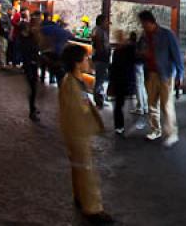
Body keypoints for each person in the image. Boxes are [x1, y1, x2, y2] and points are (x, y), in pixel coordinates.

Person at [58, 45, 112, 224]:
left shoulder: (73, 80)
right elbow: (77, 112)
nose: (88, 61)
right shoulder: (72, 84)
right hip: (77, 132)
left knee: (78, 166)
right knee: (87, 168)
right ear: (77, 63)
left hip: (74, 132)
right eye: (85, 59)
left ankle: (80, 197)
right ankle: (93, 209)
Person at [137, 10, 184, 147]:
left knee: (166, 105)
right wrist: (142, 53)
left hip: (165, 75)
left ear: (151, 22)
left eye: (145, 24)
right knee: (152, 104)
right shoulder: (144, 36)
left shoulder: (167, 34)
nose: (143, 27)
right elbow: (138, 52)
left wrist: (180, 75)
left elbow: (176, 55)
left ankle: (171, 134)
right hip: (150, 73)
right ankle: (155, 130)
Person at [109, 31, 137, 136]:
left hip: (121, 79)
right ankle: (120, 126)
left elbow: (113, 67)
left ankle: (120, 126)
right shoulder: (127, 49)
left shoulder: (120, 50)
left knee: (119, 104)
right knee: (121, 103)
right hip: (123, 79)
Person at [19, 17, 41, 121]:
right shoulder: (26, 38)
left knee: (34, 89)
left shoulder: (31, 37)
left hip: (33, 65)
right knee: (33, 89)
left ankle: (33, 108)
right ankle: (32, 111)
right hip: (30, 66)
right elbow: (27, 53)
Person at [91, 15, 111, 108]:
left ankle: (100, 98)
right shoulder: (98, 31)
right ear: (102, 21)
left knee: (100, 79)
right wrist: (103, 54)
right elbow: (98, 44)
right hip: (101, 58)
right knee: (99, 79)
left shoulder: (98, 30)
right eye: (106, 21)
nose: (107, 23)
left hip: (100, 58)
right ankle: (98, 100)